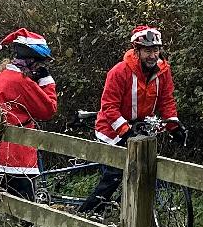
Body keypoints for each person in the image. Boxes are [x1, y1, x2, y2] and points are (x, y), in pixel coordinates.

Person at [76, 25, 182, 216]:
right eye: (148, 51)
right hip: (111, 127)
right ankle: (86, 215)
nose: (152, 55)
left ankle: (130, 212)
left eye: (156, 50)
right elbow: (109, 106)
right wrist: (124, 130)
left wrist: (174, 125)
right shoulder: (120, 72)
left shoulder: (163, 71)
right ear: (137, 50)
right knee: (115, 174)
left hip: (139, 126)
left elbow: (167, 100)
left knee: (142, 168)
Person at [0, 28, 58, 199]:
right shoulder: (21, 81)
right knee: (25, 213)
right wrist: (46, 81)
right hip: (19, 156)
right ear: (31, 61)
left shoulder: (1, 76)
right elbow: (49, 109)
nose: (40, 68)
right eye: (40, 64)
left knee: (3, 206)